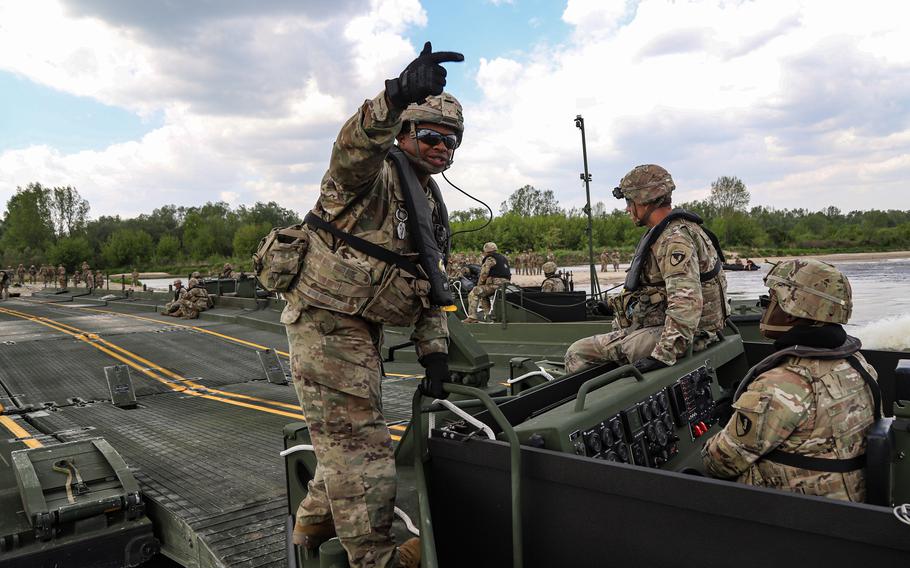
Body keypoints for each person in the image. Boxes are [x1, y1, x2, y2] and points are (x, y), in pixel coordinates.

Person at [281, 42, 464, 568]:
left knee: (346, 433)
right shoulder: (369, 176)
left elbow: (430, 277)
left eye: (452, 141)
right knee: (362, 446)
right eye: (429, 135)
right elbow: (352, 148)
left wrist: (434, 352)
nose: (441, 148)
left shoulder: (426, 200)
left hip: (362, 326)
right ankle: (374, 557)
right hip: (325, 321)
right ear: (404, 133)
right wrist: (395, 95)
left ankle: (313, 520)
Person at [702, 259, 879, 502]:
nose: (765, 308)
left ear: (792, 311)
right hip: (848, 504)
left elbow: (719, 463)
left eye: (770, 300)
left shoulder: (784, 383)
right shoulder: (858, 362)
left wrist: (725, 424)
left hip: (794, 517)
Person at [564, 164, 727, 374]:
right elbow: (659, 290)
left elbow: (686, 302)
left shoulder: (673, 239)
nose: (627, 208)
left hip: (690, 337)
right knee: (616, 334)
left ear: (643, 200)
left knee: (577, 352)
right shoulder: (679, 230)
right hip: (689, 331)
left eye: (629, 201)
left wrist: (664, 354)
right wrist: (612, 306)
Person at [464, 242, 511, 323]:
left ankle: (472, 317)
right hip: (505, 285)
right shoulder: (503, 258)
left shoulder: (490, 259)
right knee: (484, 296)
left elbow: (484, 274)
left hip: (495, 285)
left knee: (475, 292)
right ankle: (487, 316)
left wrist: (479, 285)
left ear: (486, 251)